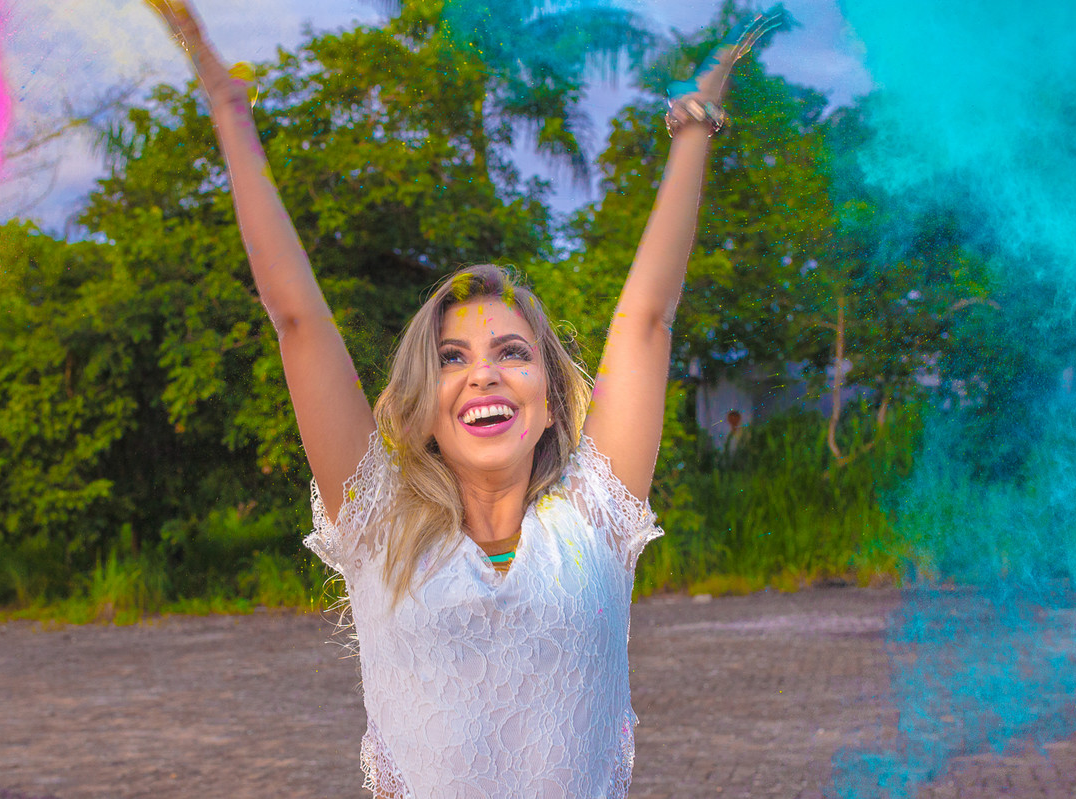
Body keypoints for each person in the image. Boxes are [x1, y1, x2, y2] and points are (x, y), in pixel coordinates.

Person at [146, 2, 782, 796]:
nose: (483, 373)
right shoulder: (380, 527)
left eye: (511, 353)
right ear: (422, 407)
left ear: (551, 402)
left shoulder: (594, 519)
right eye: (452, 358)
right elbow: (298, 319)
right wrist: (228, 108)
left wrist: (695, 126)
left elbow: (647, 319)